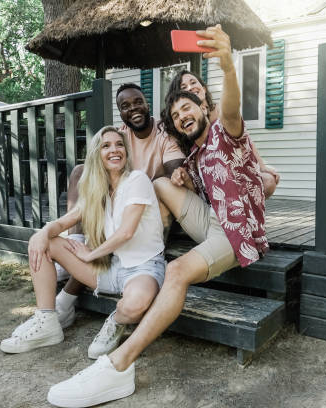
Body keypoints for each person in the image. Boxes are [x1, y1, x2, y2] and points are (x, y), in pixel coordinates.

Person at [47, 24, 268, 407]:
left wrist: (228, 66)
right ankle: (141, 251)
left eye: (189, 108)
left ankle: (119, 365)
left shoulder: (224, 132)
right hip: (211, 221)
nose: (183, 116)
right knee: (162, 183)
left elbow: (231, 107)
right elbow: (182, 177)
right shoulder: (196, 155)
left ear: (204, 108)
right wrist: (181, 175)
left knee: (178, 270)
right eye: (176, 114)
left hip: (236, 233)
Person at [0, 126, 166, 370]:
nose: (114, 150)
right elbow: (68, 220)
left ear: (126, 152)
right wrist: (43, 233)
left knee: (135, 304)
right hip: (110, 268)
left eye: (119, 144)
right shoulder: (97, 189)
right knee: (46, 244)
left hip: (143, 268)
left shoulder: (136, 180)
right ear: (96, 154)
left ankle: (115, 322)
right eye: (106, 145)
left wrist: (91, 254)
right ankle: (47, 321)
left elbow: (126, 232)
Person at [53, 83, 185, 332]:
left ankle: (68, 297)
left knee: (158, 184)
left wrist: (155, 177)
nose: (133, 109)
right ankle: (77, 241)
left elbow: (173, 169)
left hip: (152, 212)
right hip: (120, 203)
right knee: (81, 171)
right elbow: (103, 166)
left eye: (138, 102)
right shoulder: (121, 135)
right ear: (120, 112)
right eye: (125, 106)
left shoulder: (164, 135)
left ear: (147, 104)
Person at [165, 69, 280, 198]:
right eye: (184, 87)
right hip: (205, 177)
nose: (191, 88)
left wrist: (261, 166)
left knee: (268, 181)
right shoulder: (183, 122)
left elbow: (245, 140)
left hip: (234, 169)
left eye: (193, 82)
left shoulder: (220, 111)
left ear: (204, 88)